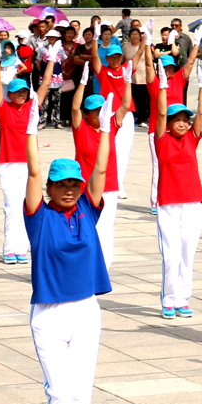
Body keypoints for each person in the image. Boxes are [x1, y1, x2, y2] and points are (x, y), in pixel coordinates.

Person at [22, 138, 112, 404]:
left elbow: (101, 170)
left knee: (80, 392)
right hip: (49, 314)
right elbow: (31, 171)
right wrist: (30, 130)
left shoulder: (88, 211)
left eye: (75, 183)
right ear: (50, 188)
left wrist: (107, 129)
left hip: (86, 310)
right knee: (59, 391)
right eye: (62, 185)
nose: (70, 190)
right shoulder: (39, 217)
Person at [150, 76, 202, 319]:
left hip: (193, 203)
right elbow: (161, 114)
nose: (183, 124)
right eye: (178, 120)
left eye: (186, 120)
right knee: (171, 255)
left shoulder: (191, 140)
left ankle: (183, 299)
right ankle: (169, 299)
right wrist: (163, 87)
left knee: (187, 253)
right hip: (169, 204)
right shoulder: (162, 141)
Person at [69, 94, 126, 272]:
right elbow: (74, 108)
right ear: (87, 114)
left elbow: (125, 105)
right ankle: (83, 266)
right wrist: (82, 84)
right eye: (95, 111)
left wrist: (127, 82)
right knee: (85, 228)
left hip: (108, 187)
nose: (100, 114)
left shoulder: (109, 129)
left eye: (102, 111)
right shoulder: (81, 129)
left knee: (106, 229)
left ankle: (103, 269)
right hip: (85, 190)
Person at [0, 74, 41, 265]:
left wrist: (52, 60)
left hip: (29, 164)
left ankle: (21, 248)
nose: (21, 95)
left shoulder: (31, 108)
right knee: (12, 207)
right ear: (9, 95)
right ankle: (9, 249)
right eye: (16, 92)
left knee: (27, 205)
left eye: (24, 92)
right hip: (8, 163)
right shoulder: (4, 110)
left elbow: (45, 84)